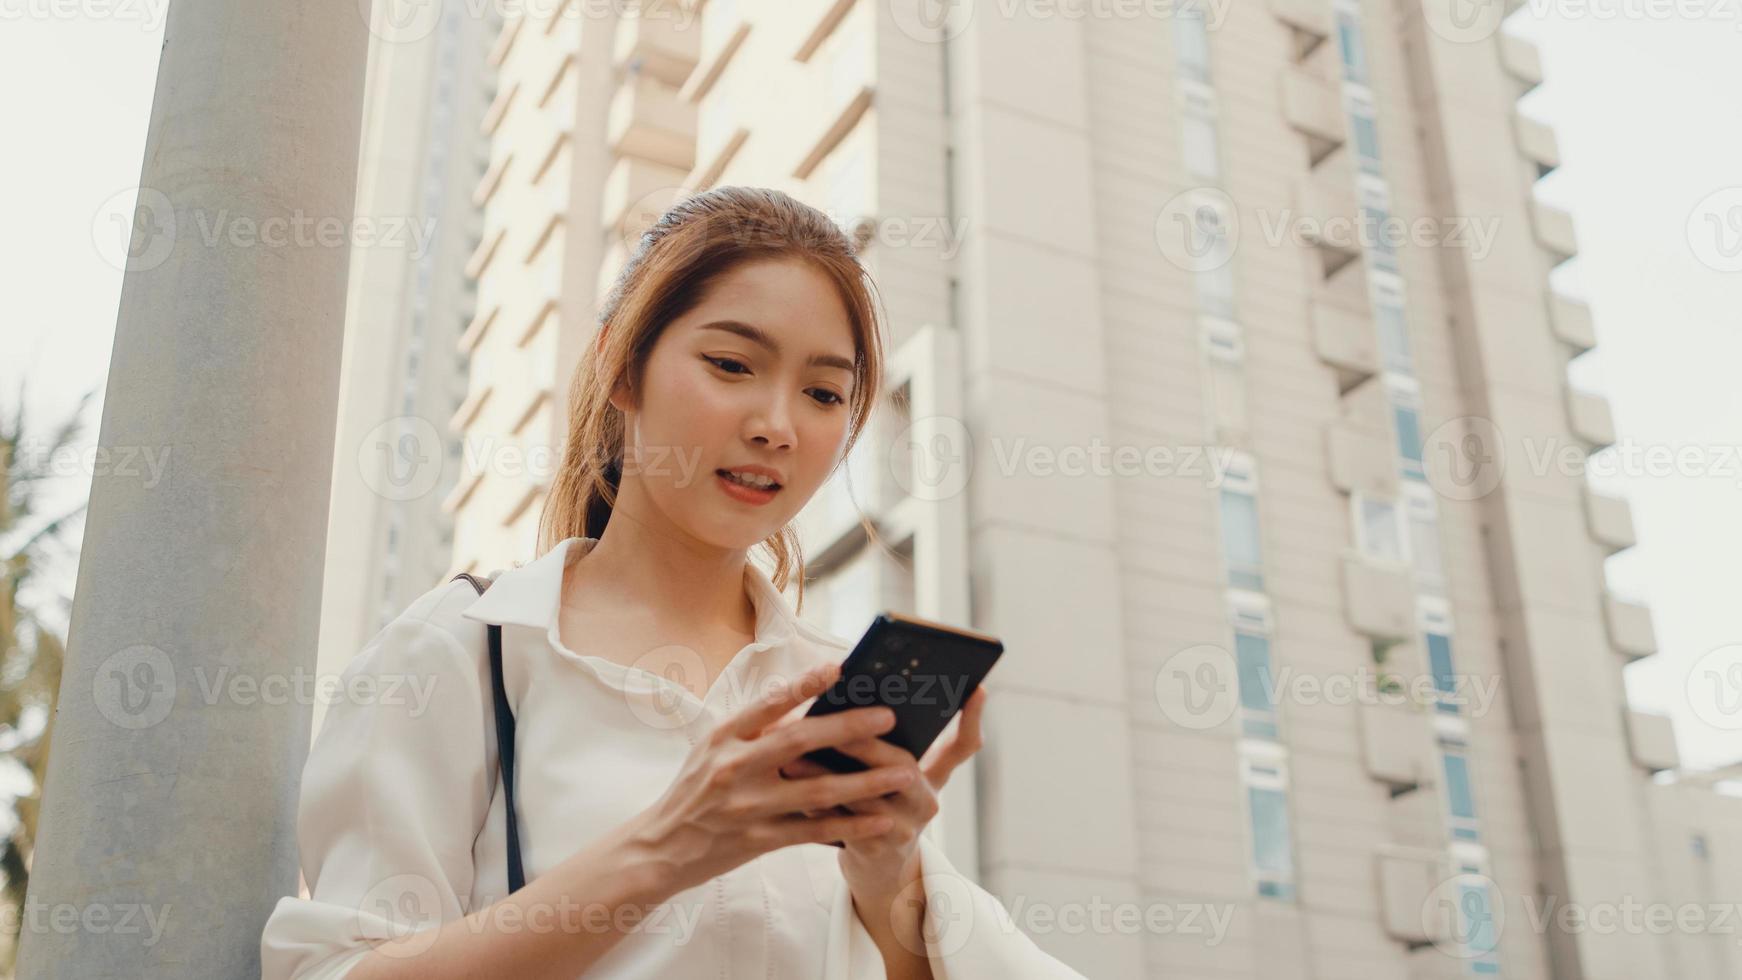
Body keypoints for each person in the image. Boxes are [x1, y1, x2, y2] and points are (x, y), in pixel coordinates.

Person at [260, 186, 1085, 978]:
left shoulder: (828, 694)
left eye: (824, 393)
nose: (776, 425)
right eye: (731, 364)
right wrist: (668, 847)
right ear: (622, 364)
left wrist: (887, 880)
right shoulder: (464, 652)